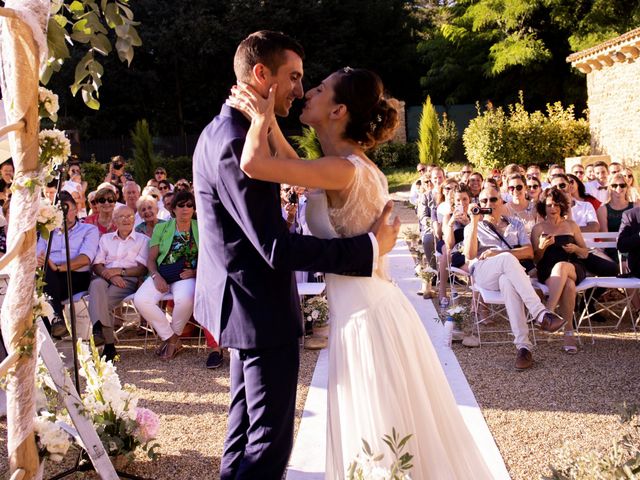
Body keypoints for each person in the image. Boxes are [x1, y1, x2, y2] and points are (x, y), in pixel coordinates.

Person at [229, 57, 493, 476]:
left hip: (365, 317)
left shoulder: (340, 169)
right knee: (385, 432)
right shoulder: (348, 166)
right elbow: (291, 159)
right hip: (369, 306)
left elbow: (254, 164)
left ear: (338, 111)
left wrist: (259, 116)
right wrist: (270, 123)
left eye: (318, 90)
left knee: (377, 432)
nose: (306, 93)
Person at [193, 31, 400, 480]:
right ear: (261, 74)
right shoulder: (235, 139)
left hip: (255, 305)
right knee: (267, 438)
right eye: (295, 77)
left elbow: (286, 172)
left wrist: (262, 123)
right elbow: (274, 246)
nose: (301, 90)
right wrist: (369, 249)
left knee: (247, 430)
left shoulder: (221, 131)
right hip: (259, 310)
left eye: (311, 83)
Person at [463, 185, 566, 370]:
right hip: (483, 272)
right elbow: (470, 255)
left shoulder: (515, 224)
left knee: (508, 280)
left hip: (509, 273)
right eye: (484, 201)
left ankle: (523, 347)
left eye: (493, 199)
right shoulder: (473, 226)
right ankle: (541, 313)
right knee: (507, 259)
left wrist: (499, 254)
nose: (489, 204)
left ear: (502, 202)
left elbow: (528, 252)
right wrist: (474, 222)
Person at [133, 190, 198, 360]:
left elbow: (209, 257)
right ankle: (171, 338)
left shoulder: (200, 228)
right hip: (162, 273)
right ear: (173, 209)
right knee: (141, 300)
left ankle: (172, 340)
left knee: (186, 299)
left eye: (189, 205)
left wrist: (195, 272)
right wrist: (155, 276)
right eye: (181, 205)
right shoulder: (162, 228)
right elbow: (151, 259)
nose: (186, 209)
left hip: (187, 274)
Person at [531, 187, 588, 354]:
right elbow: (535, 259)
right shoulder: (538, 229)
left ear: (562, 206)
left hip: (573, 266)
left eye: (556, 204)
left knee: (562, 266)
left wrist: (575, 248)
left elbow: (585, 252)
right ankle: (569, 333)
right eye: (549, 205)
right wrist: (541, 248)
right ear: (543, 207)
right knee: (569, 286)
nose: (553, 208)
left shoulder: (571, 225)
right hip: (548, 270)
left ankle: (547, 313)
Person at [88, 206, 149, 361]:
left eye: (129, 216)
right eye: (121, 216)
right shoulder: (106, 239)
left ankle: (106, 341)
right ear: (114, 220)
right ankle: (100, 333)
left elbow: (141, 269)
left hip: (127, 279)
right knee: (95, 285)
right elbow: (97, 264)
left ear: (134, 219)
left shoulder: (143, 240)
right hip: (105, 276)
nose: (126, 219)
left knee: (104, 302)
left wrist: (119, 272)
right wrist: (110, 275)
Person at [36, 191, 99, 336]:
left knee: (44, 286)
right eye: (59, 211)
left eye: (66, 210)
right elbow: (39, 255)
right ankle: (55, 323)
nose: (63, 215)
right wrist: (43, 262)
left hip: (77, 276)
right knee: (43, 277)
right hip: (50, 276)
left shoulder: (89, 230)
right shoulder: (48, 232)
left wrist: (58, 267)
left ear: (76, 209)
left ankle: (55, 323)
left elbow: (85, 258)